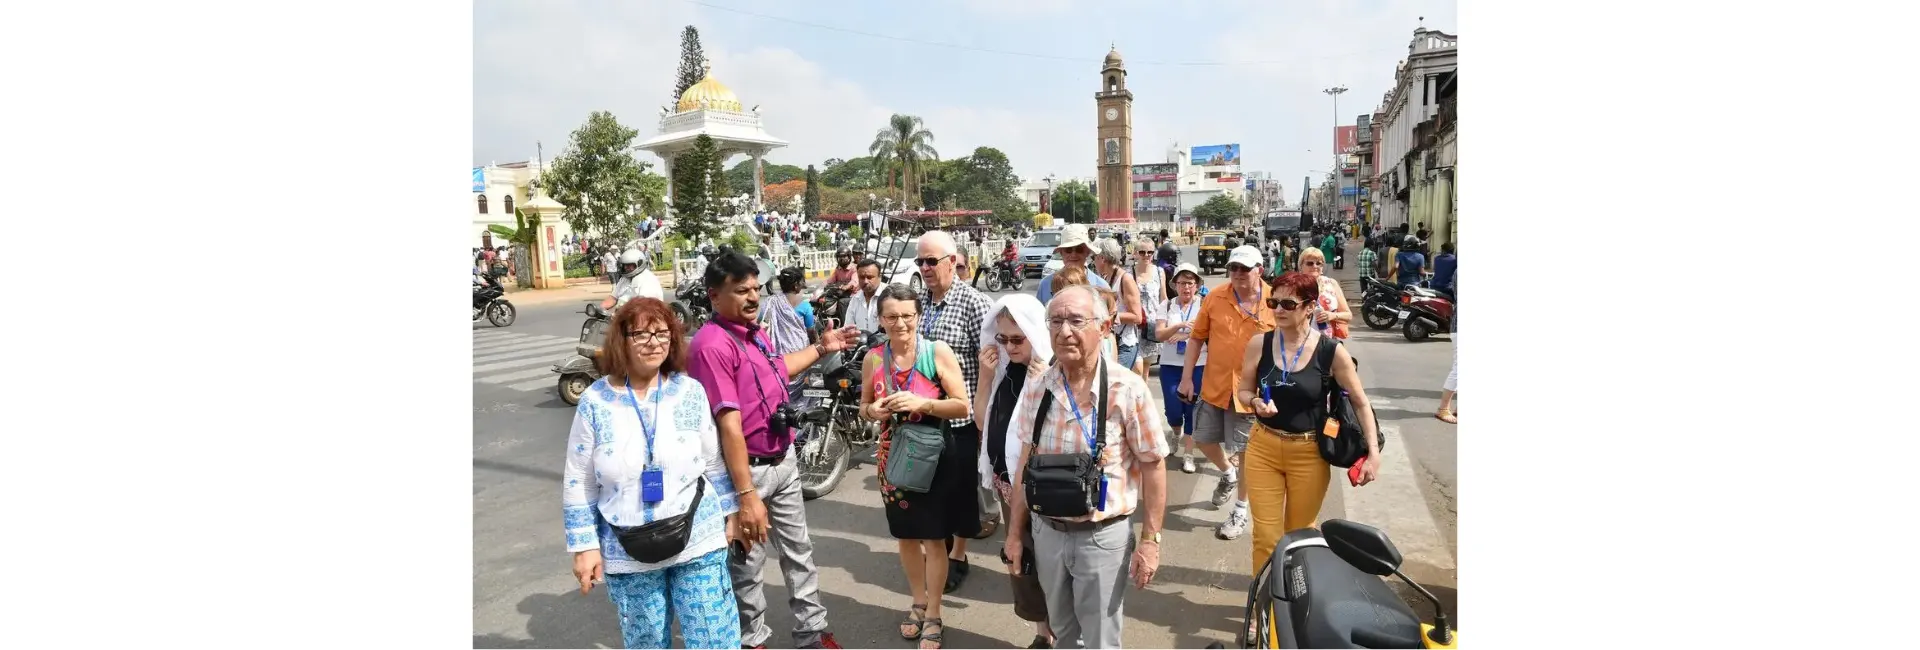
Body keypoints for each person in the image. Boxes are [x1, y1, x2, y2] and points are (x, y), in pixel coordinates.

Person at [684, 251, 858, 650]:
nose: (752, 297)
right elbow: (728, 424)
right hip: (747, 471)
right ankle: (752, 639)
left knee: (799, 551)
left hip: (783, 459)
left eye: (755, 289)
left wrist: (822, 348)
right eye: (741, 290)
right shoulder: (712, 345)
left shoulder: (753, 332)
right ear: (714, 295)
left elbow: (779, 368)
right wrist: (745, 495)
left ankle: (812, 633)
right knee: (748, 562)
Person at [562, 298, 743, 649]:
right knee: (646, 641)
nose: (654, 342)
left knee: (714, 637)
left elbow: (713, 461)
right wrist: (584, 547)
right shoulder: (595, 402)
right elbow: (579, 481)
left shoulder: (690, 392)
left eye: (662, 333)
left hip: (698, 537)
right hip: (626, 546)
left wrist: (731, 513)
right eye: (641, 334)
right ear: (621, 340)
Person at [1003, 285, 1170, 649]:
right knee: (1062, 629)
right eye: (1056, 321)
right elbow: (1024, 467)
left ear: (1104, 327)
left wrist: (1150, 540)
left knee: (1100, 638)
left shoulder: (1128, 389)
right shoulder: (1038, 387)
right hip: (1048, 532)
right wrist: (1015, 534)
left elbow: (1154, 466)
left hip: (1102, 535)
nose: (1064, 331)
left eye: (1076, 321)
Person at [1237, 272, 1382, 581]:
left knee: (1300, 536)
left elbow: (1360, 402)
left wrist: (1373, 453)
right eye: (1274, 302)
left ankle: (1295, 597)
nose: (1278, 310)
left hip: (1309, 453)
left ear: (1309, 307)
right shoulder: (1259, 344)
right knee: (1266, 536)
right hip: (1263, 448)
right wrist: (1255, 402)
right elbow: (1244, 390)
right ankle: (1265, 602)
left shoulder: (1331, 352)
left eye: (1288, 304)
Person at [859, 285, 977, 650]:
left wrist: (922, 403)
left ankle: (935, 612)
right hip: (892, 462)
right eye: (891, 316)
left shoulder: (935, 352)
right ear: (881, 319)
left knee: (933, 537)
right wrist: (872, 410)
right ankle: (918, 603)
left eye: (907, 315)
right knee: (907, 536)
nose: (900, 323)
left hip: (934, 458)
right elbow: (863, 406)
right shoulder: (873, 359)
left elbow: (962, 405)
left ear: (918, 316)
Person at [911, 231, 994, 593]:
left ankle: (958, 553)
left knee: (961, 489)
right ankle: (939, 546)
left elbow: (991, 361)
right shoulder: (920, 303)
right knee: (930, 488)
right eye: (921, 262)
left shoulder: (974, 303)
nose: (925, 268)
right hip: (923, 417)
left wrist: (985, 414)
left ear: (951, 261)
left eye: (931, 261)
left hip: (962, 417)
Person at [972, 295, 1056, 649]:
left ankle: (1069, 633)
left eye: (1017, 339)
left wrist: (1040, 385)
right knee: (1021, 559)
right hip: (1008, 486)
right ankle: (1042, 632)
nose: (1008, 346)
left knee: (1054, 566)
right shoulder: (1005, 371)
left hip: (1044, 492)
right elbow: (982, 421)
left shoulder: (1053, 371)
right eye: (1002, 338)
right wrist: (986, 376)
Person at [1175, 245, 1276, 541]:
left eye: (1245, 268)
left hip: (1252, 392)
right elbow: (1196, 339)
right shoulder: (1216, 297)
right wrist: (1186, 378)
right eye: (1233, 268)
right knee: (1202, 439)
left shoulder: (1275, 300)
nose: (1238, 273)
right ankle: (1227, 473)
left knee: (1246, 454)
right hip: (1215, 385)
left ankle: (1240, 510)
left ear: (1260, 269)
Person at [1153, 263, 1207, 475]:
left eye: (1190, 283)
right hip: (1170, 365)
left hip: (1199, 364)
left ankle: (1189, 453)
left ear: (1197, 285)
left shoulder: (1204, 304)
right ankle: (1176, 434)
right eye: (1182, 283)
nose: (1186, 287)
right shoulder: (1166, 306)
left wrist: (1185, 335)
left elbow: (1210, 333)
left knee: (1192, 409)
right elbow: (1160, 334)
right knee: (1173, 410)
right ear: (1174, 285)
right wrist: (1178, 326)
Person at [1091, 239, 1144, 374]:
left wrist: (1108, 316)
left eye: (1094, 258)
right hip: (1111, 340)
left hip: (1125, 343)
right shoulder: (1105, 278)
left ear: (1102, 258)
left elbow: (1137, 317)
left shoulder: (1125, 279)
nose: (1093, 262)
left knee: (1113, 379)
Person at [1036, 224, 1112, 304]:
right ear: (1061, 253)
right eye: (1068, 250)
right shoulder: (1045, 285)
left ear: (1087, 252)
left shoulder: (1102, 286)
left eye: (1079, 249)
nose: (1073, 255)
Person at [1296, 248, 1352, 342]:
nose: (1315, 266)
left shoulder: (1331, 283)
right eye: (1310, 263)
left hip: (1327, 341)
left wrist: (1332, 315)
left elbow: (1348, 315)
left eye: (1319, 263)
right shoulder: (1294, 286)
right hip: (1301, 341)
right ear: (1301, 266)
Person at [1130, 238, 1166, 374]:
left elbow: (1163, 298)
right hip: (1135, 327)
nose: (1146, 255)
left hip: (1152, 327)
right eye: (1142, 252)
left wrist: (1165, 322)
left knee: (1145, 369)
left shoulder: (1159, 272)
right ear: (1135, 253)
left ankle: (1143, 389)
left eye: (1150, 252)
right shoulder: (1128, 273)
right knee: (1136, 367)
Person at [761, 266, 814, 356]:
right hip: (801, 352)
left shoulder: (771, 302)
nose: (803, 284)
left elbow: (763, 323)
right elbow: (811, 331)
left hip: (777, 353)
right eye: (802, 282)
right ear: (796, 285)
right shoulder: (805, 306)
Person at [846, 259, 884, 334]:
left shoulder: (890, 296)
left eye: (869, 277)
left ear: (880, 277)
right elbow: (848, 328)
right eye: (861, 277)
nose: (865, 281)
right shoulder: (855, 299)